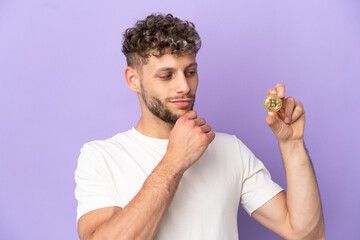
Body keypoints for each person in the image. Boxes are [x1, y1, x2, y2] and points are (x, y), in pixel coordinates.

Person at [74, 13, 325, 240]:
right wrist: (174, 162)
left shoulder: (229, 150)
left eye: (190, 72)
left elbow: (307, 234)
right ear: (133, 79)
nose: (184, 86)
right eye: (166, 75)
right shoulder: (101, 157)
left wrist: (291, 144)